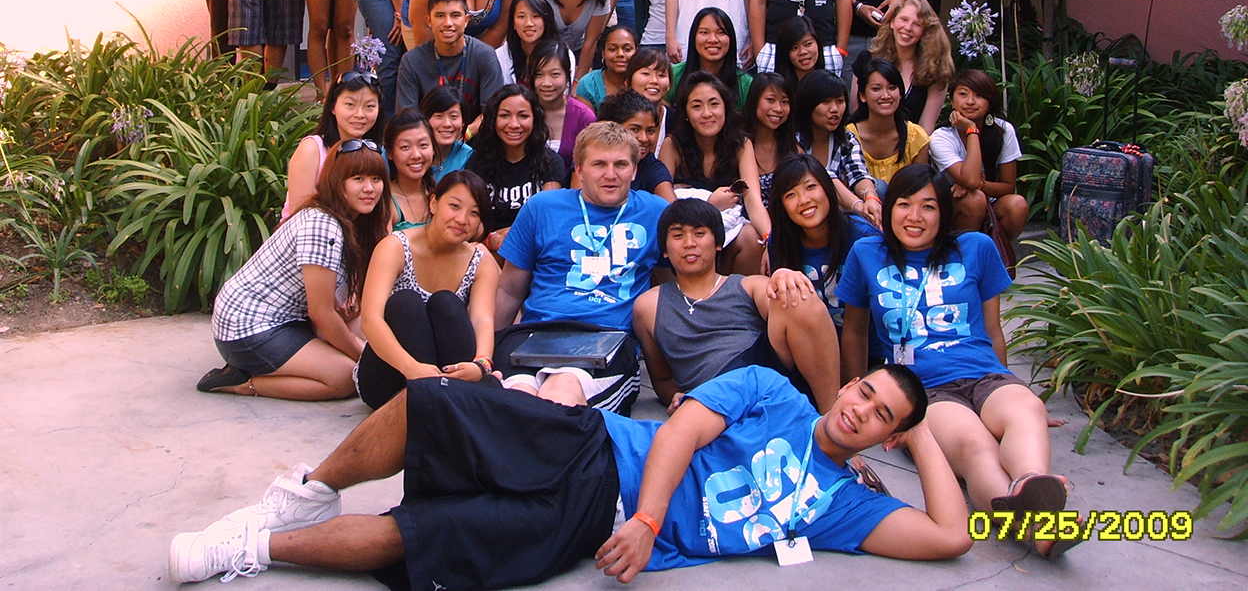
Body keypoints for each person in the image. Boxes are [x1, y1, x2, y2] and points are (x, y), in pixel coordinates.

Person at [169, 364, 973, 586]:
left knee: (425, 542)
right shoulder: (778, 395)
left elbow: (947, 537)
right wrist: (653, 521)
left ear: (889, 436)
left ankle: (256, 545)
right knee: (434, 404)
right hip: (595, 450)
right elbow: (681, 431)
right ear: (845, 385)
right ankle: (314, 486)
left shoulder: (840, 508)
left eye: (880, 415)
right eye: (863, 390)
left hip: (589, 529)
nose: (859, 409)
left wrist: (926, 432)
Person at [837, 163, 1073, 557]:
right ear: (889, 207)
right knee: (975, 444)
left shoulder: (976, 248)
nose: (915, 217)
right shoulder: (866, 253)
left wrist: (1011, 383)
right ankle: (1040, 527)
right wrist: (857, 393)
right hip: (925, 389)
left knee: (1026, 409)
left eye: (928, 207)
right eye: (905, 205)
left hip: (984, 373)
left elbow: (994, 331)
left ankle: (1031, 485)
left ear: (944, 212)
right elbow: (855, 331)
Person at [493, 121, 669, 411]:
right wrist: (485, 355)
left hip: (605, 340)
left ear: (635, 170)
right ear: (579, 168)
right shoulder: (542, 208)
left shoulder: (655, 213)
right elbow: (509, 292)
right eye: (599, 164)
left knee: (558, 397)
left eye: (621, 165)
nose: (610, 175)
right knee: (515, 402)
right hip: (535, 336)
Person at [196, 138, 391, 400]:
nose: (369, 188)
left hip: (289, 320)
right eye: (358, 179)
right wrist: (364, 360)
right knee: (346, 376)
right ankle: (243, 382)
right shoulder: (324, 226)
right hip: (248, 327)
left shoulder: (353, 221)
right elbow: (321, 313)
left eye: (376, 179)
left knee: (367, 327)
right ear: (336, 181)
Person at [634, 196, 841, 411]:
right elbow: (663, 380)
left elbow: (785, 302)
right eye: (678, 236)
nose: (689, 243)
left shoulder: (746, 285)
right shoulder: (649, 306)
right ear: (665, 249)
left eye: (699, 233)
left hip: (762, 371)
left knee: (795, 297)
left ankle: (829, 416)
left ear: (717, 244)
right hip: (713, 394)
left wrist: (782, 276)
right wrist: (678, 398)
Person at [354, 170, 500, 409]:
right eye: (454, 206)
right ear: (433, 203)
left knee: (446, 302)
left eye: (474, 213)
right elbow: (370, 320)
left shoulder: (481, 261)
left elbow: (482, 320)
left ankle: (448, 396)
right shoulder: (395, 246)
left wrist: (481, 364)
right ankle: (445, 398)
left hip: (445, 376)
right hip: (390, 376)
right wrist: (413, 369)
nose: (462, 219)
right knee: (405, 302)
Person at [660, 71, 770, 275]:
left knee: (752, 238)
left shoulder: (741, 144)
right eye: (696, 106)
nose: (707, 113)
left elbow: (753, 198)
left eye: (714, 104)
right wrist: (709, 205)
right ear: (685, 112)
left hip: (730, 231)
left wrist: (768, 238)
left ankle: (734, 301)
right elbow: (663, 205)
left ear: (726, 108)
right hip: (687, 231)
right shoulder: (673, 145)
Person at [928, 70, 1030, 241]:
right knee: (974, 200)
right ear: (952, 100)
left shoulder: (1003, 130)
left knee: (1017, 205)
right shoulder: (941, 137)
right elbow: (970, 180)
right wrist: (972, 130)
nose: (970, 102)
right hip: (950, 207)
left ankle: (995, 254)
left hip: (989, 204)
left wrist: (977, 185)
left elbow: (1007, 186)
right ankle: (962, 257)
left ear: (989, 103)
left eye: (979, 96)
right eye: (963, 94)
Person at [466, 84, 565, 255]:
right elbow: (471, 220)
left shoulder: (551, 162)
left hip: (535, 252)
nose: (514, 124)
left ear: (535, 119)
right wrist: (490, 240)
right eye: (504, 115)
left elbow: (548, 219)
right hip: (488, 252)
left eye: (523, 116)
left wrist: (511, 235)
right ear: (493, 120)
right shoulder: (477, 163)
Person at [767, 154, 856, 330]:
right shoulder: (780, 241)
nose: (804, 200)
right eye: (791, 194)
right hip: (812, 345)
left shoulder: (861, 238)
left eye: (811, 187)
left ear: (827, 188)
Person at [283, 71, 384, 221]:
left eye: (369, 106)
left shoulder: (376, 151)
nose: (360, 114)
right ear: (332, 107)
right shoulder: (312, 149)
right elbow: (298, 215)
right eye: (350, 105)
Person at [396, 0, 504, 123]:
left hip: (474, 139)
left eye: (455, 15)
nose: (448, 23)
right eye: (440, 15)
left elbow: (492, 112)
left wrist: (466, 135)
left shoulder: (484, 55)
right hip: (427, 140)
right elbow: (406, 118)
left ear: (466, 20)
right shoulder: (412, 61)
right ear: (429, 21)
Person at [850, 0, 954, 133]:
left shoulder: (935, 69)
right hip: (866, 142)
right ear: (892, 22)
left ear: (926, 30)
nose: (908, 27)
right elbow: (857, 113)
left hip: (911, 145)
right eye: (903, 19)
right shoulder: (867, 59)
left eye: (917, 24)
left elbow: (925, 128)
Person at [793, 70, 882, 230]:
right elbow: (822, 178)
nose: (834, 109)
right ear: (808, 105)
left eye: (840, 101)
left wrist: (870, 197)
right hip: (803, 212)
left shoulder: (847, 139)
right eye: (826, 102)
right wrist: (858, 206)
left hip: (840, 212)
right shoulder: (793, 139)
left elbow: (858, 173)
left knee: (879, 189)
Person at [845, 58, 931, 187]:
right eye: (876, 89)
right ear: (863, 95)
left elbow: (920, 187)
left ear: (900, 93)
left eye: (892, 88)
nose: (885, 95)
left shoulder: (916, 137)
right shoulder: (847, 135)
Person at [595, 89, 677, 201]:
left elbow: (672, 210)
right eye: (634, 129)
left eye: (650, 131)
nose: (644, 138)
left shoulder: (651, 166)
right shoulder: (591, 158)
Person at [528, 40, 596, 174]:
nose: (546, 83)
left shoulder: (584, 117)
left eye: (555, 75)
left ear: (567, 75)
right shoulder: (521, 110)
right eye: (539, 75)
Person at [667, 6, 752, 109]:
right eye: (704, 32)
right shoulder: (673, 75)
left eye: (721, 33)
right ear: (694, 37)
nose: (713, 39)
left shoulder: (745, 83)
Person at [742, 72, 799, 207]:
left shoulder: (793, 148)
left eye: (784, 102)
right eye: (770, 100)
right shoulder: (737, 143)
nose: (778, 109)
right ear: (755, 100)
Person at [382, 108, 435, 231]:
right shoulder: (385, 201)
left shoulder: (439, 196)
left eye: (423, 145)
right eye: (405, 147)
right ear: (390, 152)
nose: (416, 155)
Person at [495, 0, 562, 85]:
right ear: (513, 23)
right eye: (521, 16)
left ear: (546, 20)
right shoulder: (499, 57)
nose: (529, 23)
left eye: (536, 16)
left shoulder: (563, 55)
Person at [772, 15, 841, 92]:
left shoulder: (831, 85)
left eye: (808, 44)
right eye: (794, 48)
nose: (802, 52)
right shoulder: (776, 89)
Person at [575, 24, 636, 110]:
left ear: (637, 51)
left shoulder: (645, 80)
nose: (620, 54)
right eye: (612, 49)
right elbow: (588, 122)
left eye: (627, 49)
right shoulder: (589, 83)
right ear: (603, 53)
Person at [624, 46, 672, 153]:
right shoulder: (615, 118)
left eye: (661, 75)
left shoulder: (677, 121)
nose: (654, 81)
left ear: (669, 85)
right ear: (628, 81)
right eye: (646, 73)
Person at [420, 86, 472, 181]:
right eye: (439, 116)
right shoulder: (406, 152)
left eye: (453, 116)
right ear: (425, 120)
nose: (447, 124)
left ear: (463, 122)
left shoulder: (470, 157)